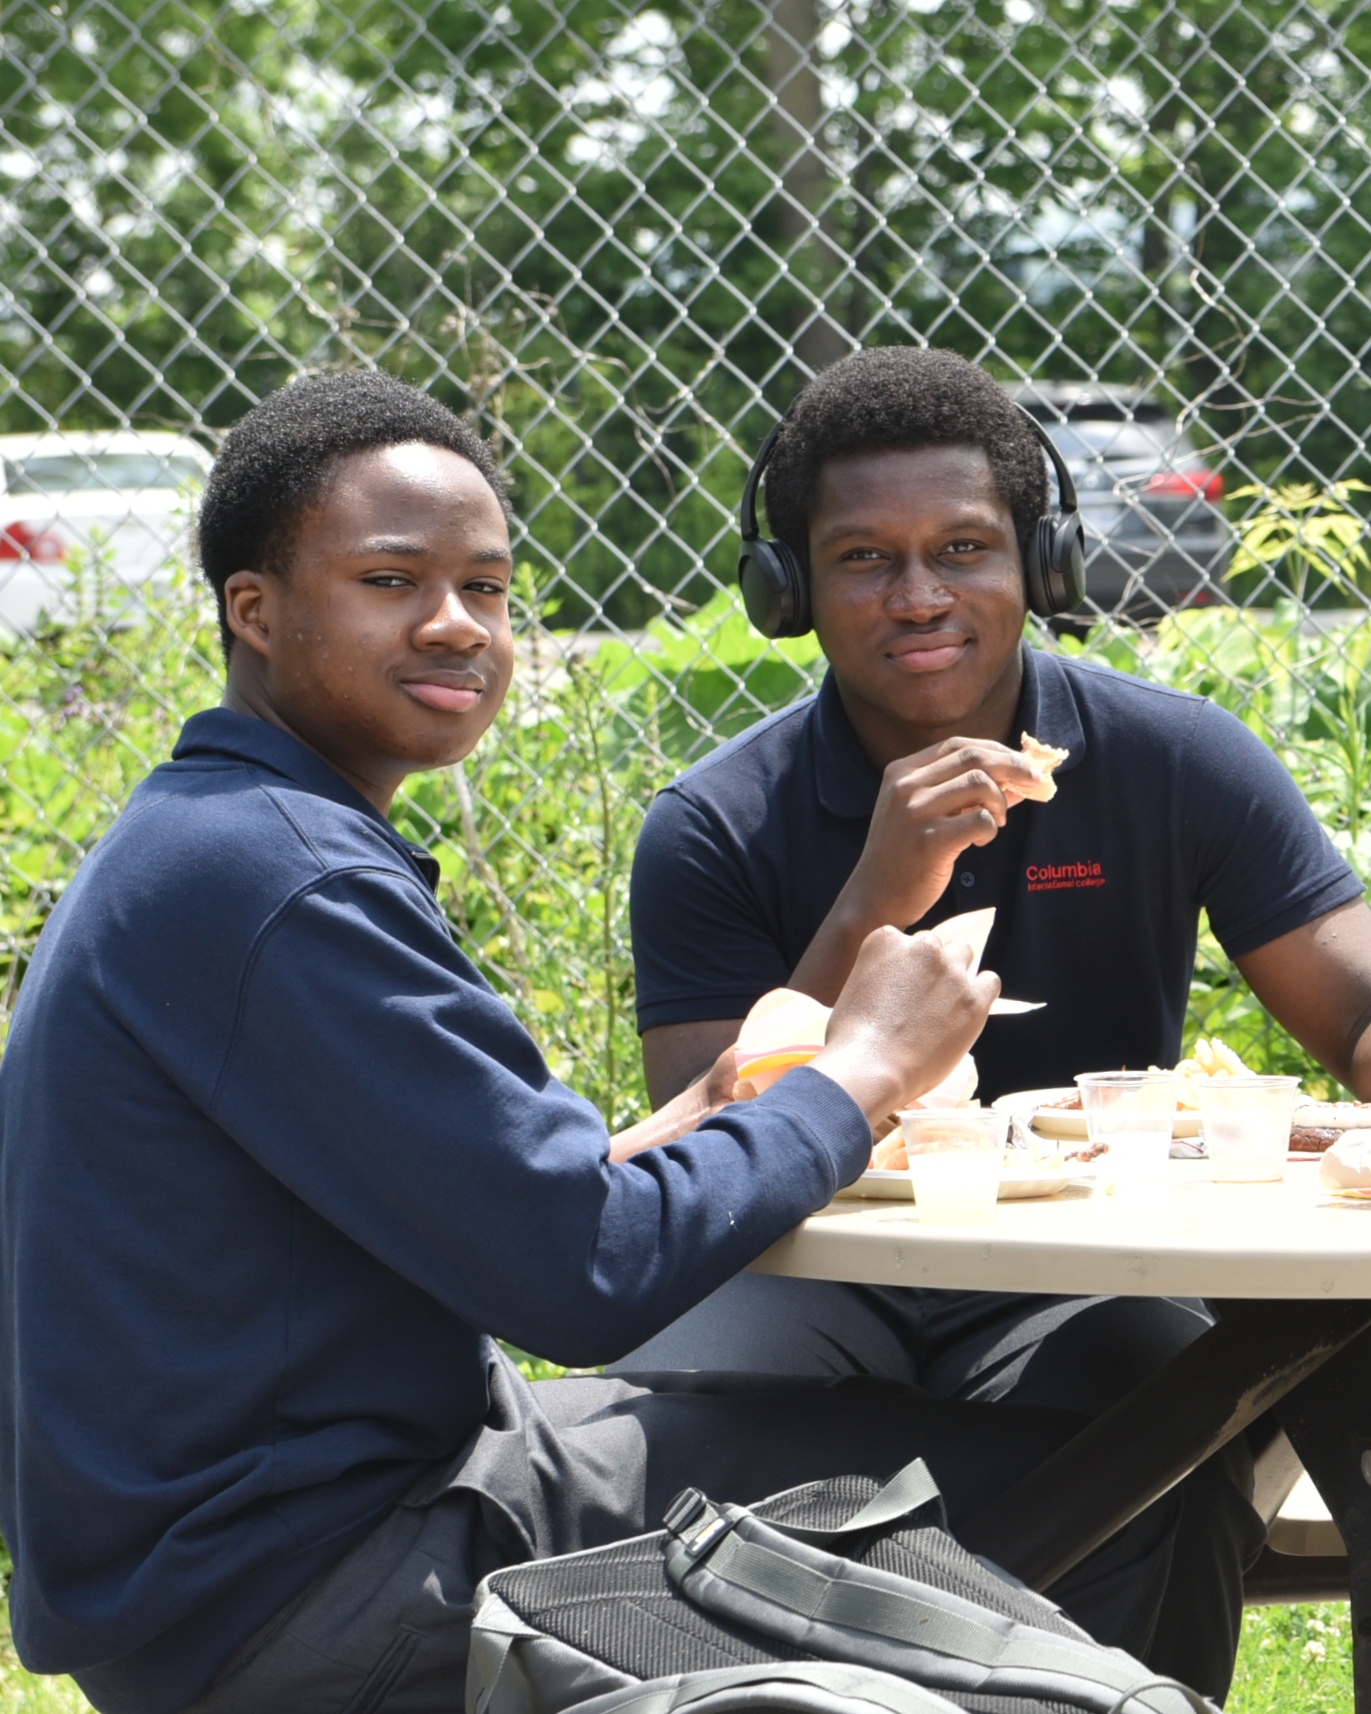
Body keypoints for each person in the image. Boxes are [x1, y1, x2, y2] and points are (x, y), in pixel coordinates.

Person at [0, 370, 1187, 1714]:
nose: (457, 624)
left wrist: (706, 1112)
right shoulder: (282, 880)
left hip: (255, 1554)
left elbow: (510, 1203)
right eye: (391, 581)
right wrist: (864, 1067)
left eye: (488, 588)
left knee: (1075, 1460)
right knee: (1119, 1473)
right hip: (314, 1587)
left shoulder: (229, 839)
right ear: (254, 612)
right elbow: (589, 1276)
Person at [624, 346, 1371, 1700]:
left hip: (1087, 1276)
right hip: (807, 1272)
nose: (919, 595)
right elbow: (712, 1144)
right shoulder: (714, 823)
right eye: (863, 559)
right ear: (790, 590)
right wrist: (878, 893)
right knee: (667, 1433)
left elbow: (1357, 1007)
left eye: (963, 548)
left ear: (1042, 562)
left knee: (1174, 1420)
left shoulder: (1171, 758)